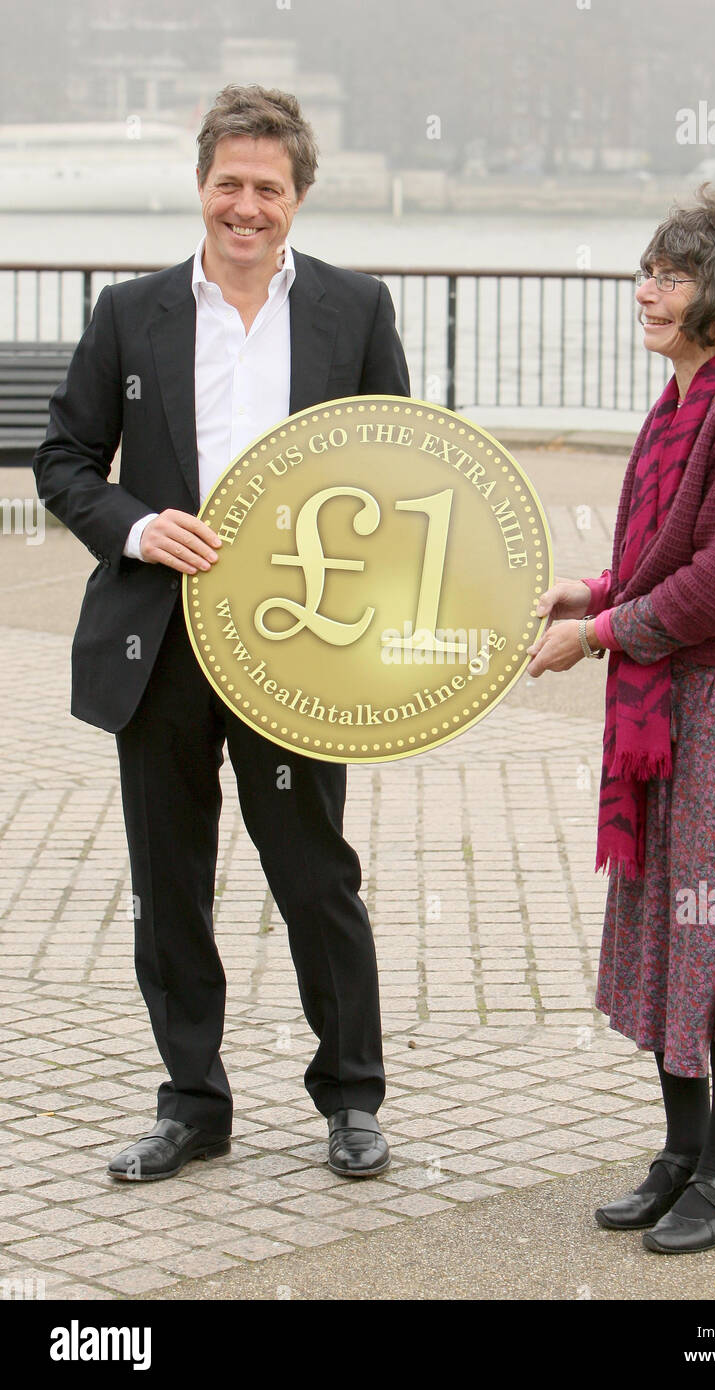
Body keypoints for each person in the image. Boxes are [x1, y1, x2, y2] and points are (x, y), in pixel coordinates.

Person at [33, 85, 410, 1182]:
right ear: (202, 186)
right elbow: (64, 461)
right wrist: (139, 526)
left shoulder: (353, 306)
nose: (246, 207)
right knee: (170, 885)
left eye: (268, 188)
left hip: (296, 646)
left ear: (296, 199)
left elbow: (391, 469)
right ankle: (192, 1104)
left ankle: (350, 1097)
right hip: (159, 648)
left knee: (315, 876)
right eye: (229, 184)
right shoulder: (128, 312)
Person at [527, 187, 715, 1254]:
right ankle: (681, 1150)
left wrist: (599, 637)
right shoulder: (682, 401)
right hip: (673, 688)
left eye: (672, 275)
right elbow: (663, 563)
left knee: (710, 915)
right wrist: (593, 594)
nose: (646, 290)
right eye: (646, 270)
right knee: (665, 915)